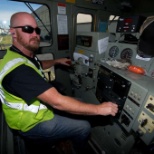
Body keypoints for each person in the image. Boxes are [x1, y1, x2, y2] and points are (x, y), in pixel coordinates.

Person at [0, 12, 118, 153]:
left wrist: (56, 61)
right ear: (13, 32)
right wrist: (99, 109)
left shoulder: (20, 55)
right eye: (27, 29)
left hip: (39, 111)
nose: (35, 34)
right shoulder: (18, 71)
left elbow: (38, 64)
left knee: (78, 100)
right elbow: (58, 102)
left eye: (37, 30)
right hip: (31, 124)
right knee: (84, 126)